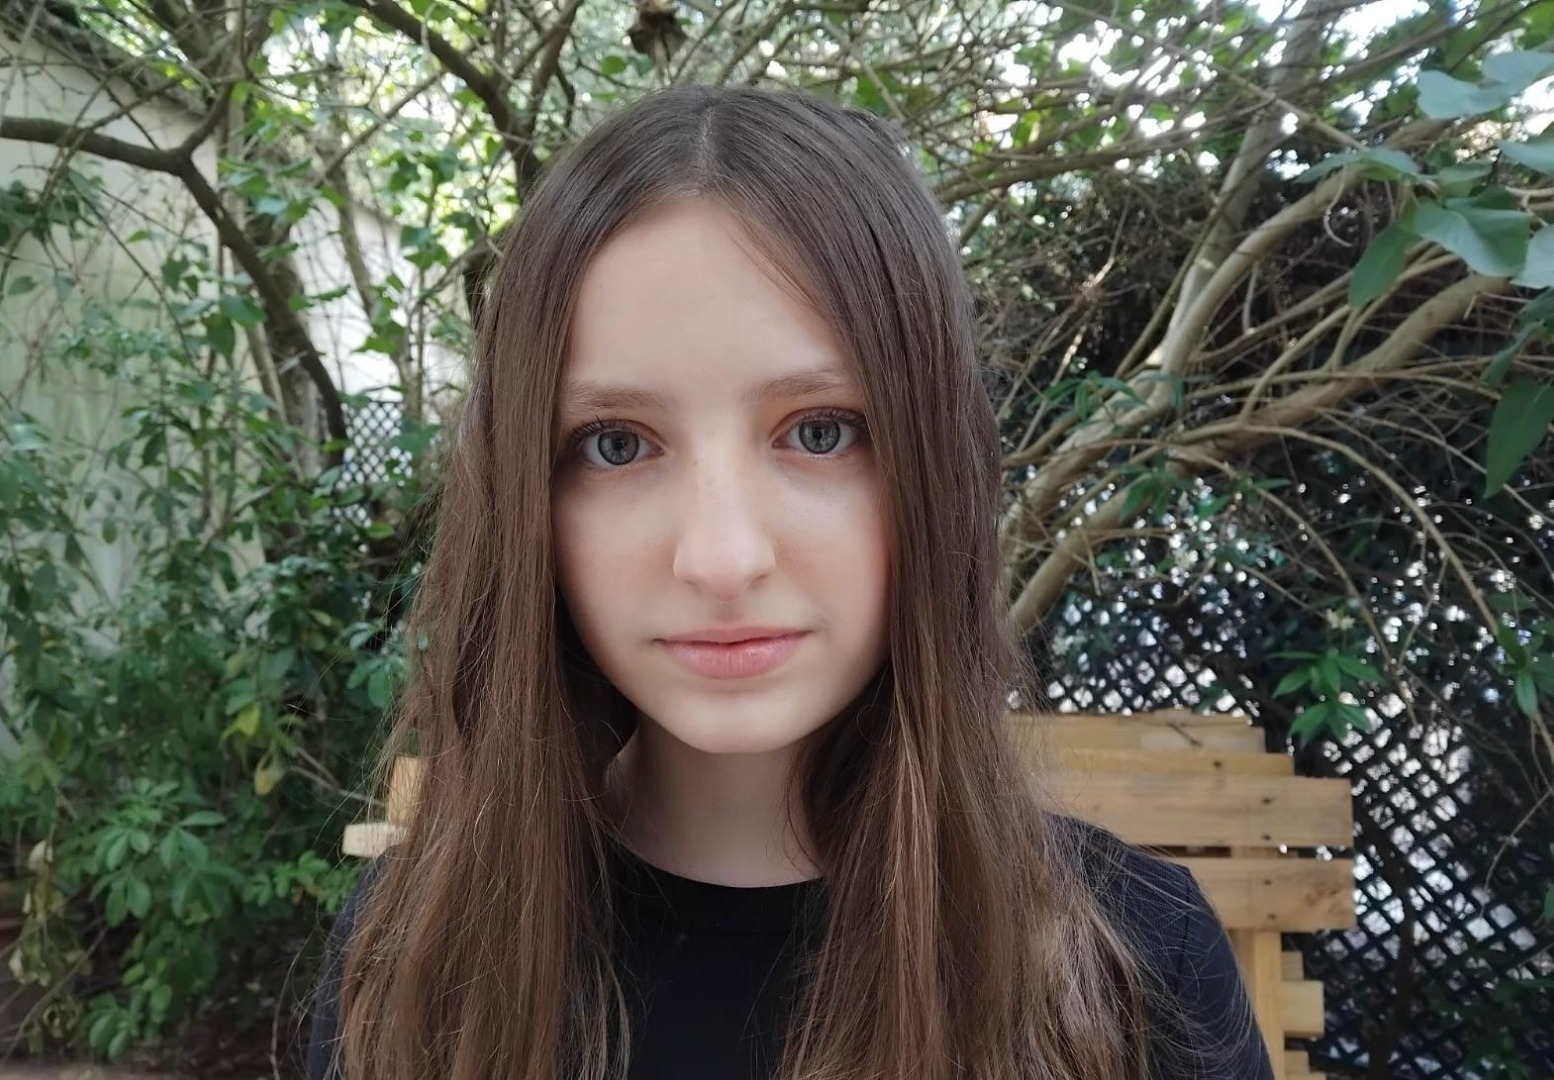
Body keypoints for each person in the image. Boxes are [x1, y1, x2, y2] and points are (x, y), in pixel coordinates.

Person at [302, 83, 1275, 1080]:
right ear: (527, 501)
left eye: (820, 431)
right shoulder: (419, 961)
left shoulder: (1130, 965)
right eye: (615, 443)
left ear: (935, 468)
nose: (722, 559)